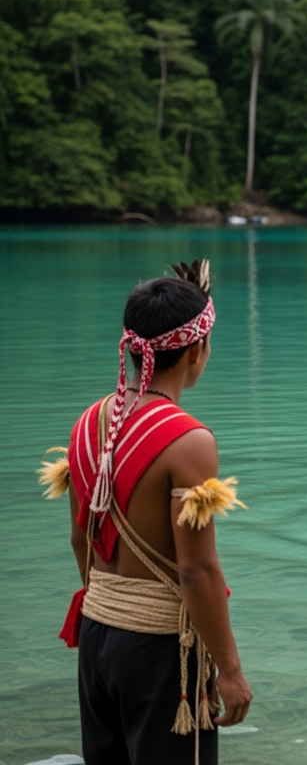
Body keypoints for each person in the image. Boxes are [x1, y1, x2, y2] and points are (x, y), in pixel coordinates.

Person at [39, 260, 252, 765]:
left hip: (96, 639)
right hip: (159, 651)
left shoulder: (89, 422)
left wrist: (112, 610)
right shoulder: (189, 441)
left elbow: (81, 539)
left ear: (133, 349)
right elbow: (197, 571)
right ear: (197, 350)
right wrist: (229, 671)